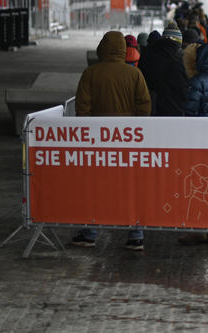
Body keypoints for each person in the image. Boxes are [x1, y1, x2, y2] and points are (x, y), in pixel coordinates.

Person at [72, 31, 152, 250]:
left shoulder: (90, 74)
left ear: (102, 48)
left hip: (98, 143)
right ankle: (136, 234)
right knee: (131, 187)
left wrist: (90, 133)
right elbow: (144, 106)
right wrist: (134, 129)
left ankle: (90, 233)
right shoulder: (135, 74)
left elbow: (82, 108)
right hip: (129, 142)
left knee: (96, 187)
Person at [139, 23, 190, 116]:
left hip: (151, 108)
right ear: (179, 41)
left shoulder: (147, 54)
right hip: (174, 110)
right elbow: (184, 88)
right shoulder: (183, 58)